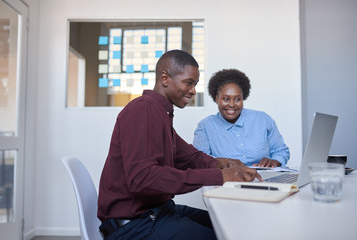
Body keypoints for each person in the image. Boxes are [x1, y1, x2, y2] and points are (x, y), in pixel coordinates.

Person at [97, 50, 261, 240]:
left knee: (229, 224)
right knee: (226, 235)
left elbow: (189, 156)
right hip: (135, 226)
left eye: (195, 84)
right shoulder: (143, 109)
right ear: (165, 78)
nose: (193, 91)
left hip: (159, 212)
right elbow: (143, 178)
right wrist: (220, 176)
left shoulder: (161, 114)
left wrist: (221, 164)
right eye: (188, 83)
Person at [193, 69, 290, 168]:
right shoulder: (205, 127)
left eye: (237, 99)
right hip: (228, 180)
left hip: (263, 178)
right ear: (216, 98)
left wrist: (275, 161)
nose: (231, 104)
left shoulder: (262, 119)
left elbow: (281, 151)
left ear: (243, 98)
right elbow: (200, 160)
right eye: (226, 99)